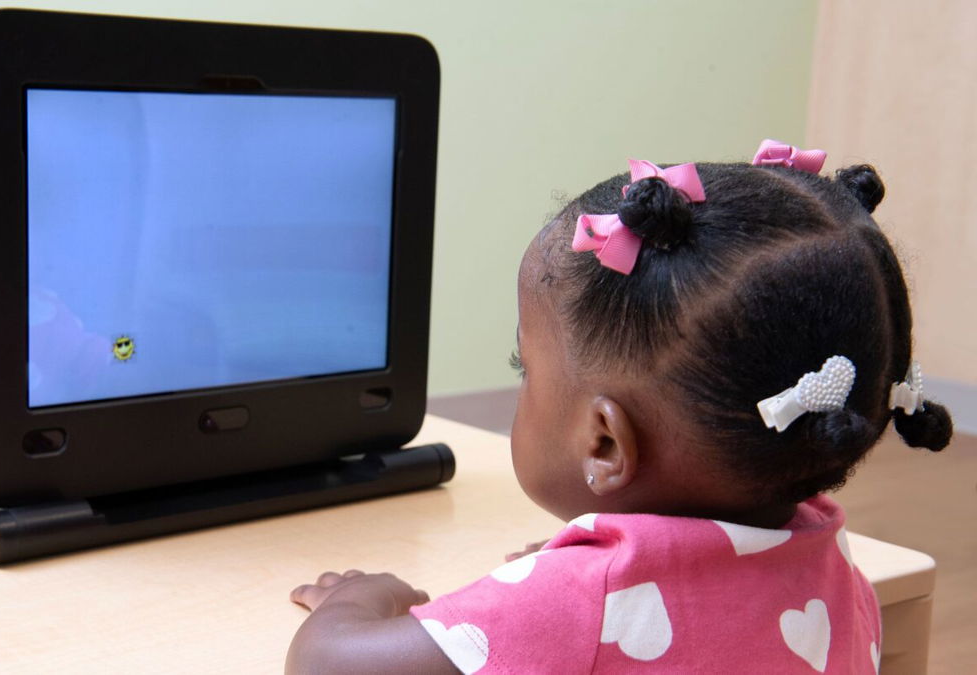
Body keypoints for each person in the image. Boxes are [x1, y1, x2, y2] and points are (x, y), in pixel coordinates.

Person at [284, 140, 954, 674]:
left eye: (526, 368)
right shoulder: (828, 557)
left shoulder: (586, 600)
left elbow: (326, 664)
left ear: (604, 443)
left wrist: (360, 597)